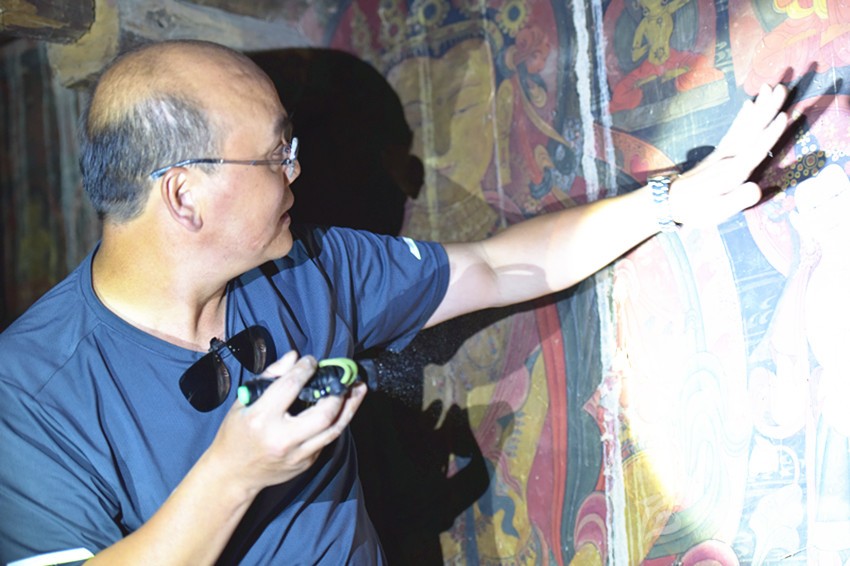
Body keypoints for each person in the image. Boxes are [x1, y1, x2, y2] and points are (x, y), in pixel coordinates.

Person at [0, 39, 789, 565]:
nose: (296, 171)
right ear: (184, 196)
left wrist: (670, 201)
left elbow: (496, 268)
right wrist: (234, 474)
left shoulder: (305, 266)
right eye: (276, 154)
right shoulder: (28, 394)